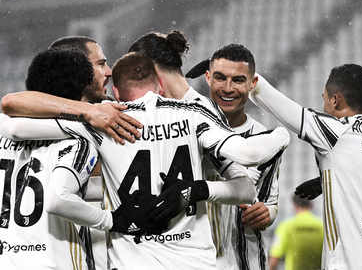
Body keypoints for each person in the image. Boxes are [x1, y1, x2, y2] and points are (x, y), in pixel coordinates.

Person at [0, 52, 290, 270]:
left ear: (116, 91)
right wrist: (282, 134)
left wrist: (87, 113)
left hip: (130, 262)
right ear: (160, 85)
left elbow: (14, 126)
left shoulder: (103, 121)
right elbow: (246, 186)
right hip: (195, 262)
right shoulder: (194, 114)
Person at [249, 63, 362, 269]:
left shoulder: (336, 131)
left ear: (335, 100)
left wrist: (240, 71)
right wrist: (329, 181)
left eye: (324, 99)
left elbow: (268, 96)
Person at [0, 48, 99, 270]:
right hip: (54, 262)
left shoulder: (3, 131)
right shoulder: (80, 141)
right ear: (82, 90)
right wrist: (109, 219)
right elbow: (59, 199)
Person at [188, 44, 282, 270]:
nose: (227, 88)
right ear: (208, 78)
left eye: (238, 80)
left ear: (253, 84)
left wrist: (266, 213)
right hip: (193, 261)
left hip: (245, 263)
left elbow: (270, 203)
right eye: (220, 78)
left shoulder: (264, 139)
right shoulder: (185, 129)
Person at [2, 36, 141, 144]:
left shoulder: (109, 112)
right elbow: (10, 103)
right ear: (77, 67)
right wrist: (89, 112)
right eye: (101, 64)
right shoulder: (29, 123)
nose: (109, 72)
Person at [269, 195, 323, 270]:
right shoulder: (322, 227)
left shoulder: (286, 226)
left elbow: (274, 259)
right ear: (311, 204)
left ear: (294, 205)